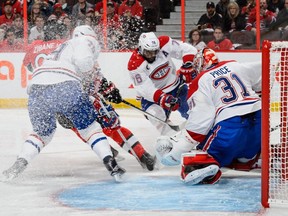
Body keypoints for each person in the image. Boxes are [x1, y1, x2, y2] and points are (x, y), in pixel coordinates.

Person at [22, 24, 156, 171]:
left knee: (82, 128)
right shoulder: (82, 50)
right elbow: (95, 79)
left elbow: (30, 65)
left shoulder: (59, 51)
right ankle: (142, 156)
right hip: (84, 99)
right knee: (110, 128)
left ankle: (108, 150)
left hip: (60, 99)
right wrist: (110, 90)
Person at [2, 25, 126, 182]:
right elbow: (84, 63)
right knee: (90, 129)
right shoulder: (85, 41)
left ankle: (18, 164)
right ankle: (112, 165)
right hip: (65, 85)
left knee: (42, 133)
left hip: (37, 87)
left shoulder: (61, 46)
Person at [155, 48, 261, 185]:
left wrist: (176, 153)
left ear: (200, 64)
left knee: (197, 156)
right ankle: (253, 159)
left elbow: (199, 126)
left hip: (231, 125)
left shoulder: (200, 81)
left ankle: (204, 166)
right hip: (260, 121)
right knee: (247, 152)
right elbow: (265, 72)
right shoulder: (235, 65)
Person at [127, 32, 198, 136]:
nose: (152, 56)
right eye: (148, 52)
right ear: (141, 48)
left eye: (155, 51)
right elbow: (146, 89)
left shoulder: (164, 43)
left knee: (194, 114)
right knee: (157, 118)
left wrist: (188, 64)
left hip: (176, 87)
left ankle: (198, 135)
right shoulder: (135, 64)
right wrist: (162, 98)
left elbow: (188, 49)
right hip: (152, 99)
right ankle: (172, 140)